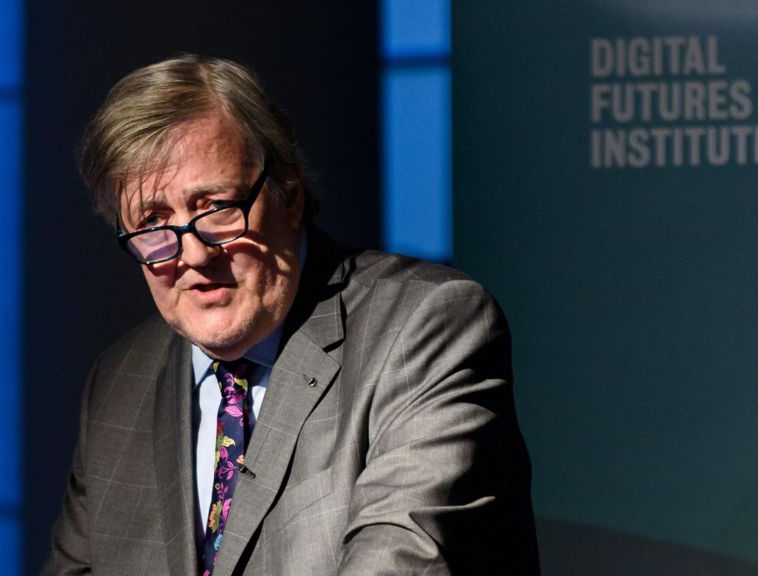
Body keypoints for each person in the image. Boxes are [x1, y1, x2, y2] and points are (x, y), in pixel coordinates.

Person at [42, 54, 540, 576]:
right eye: (151, 224)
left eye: (215, 209)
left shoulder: (426, 326)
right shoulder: (119, 381)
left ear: (290, 197)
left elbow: (405, 560)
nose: (191, 255)